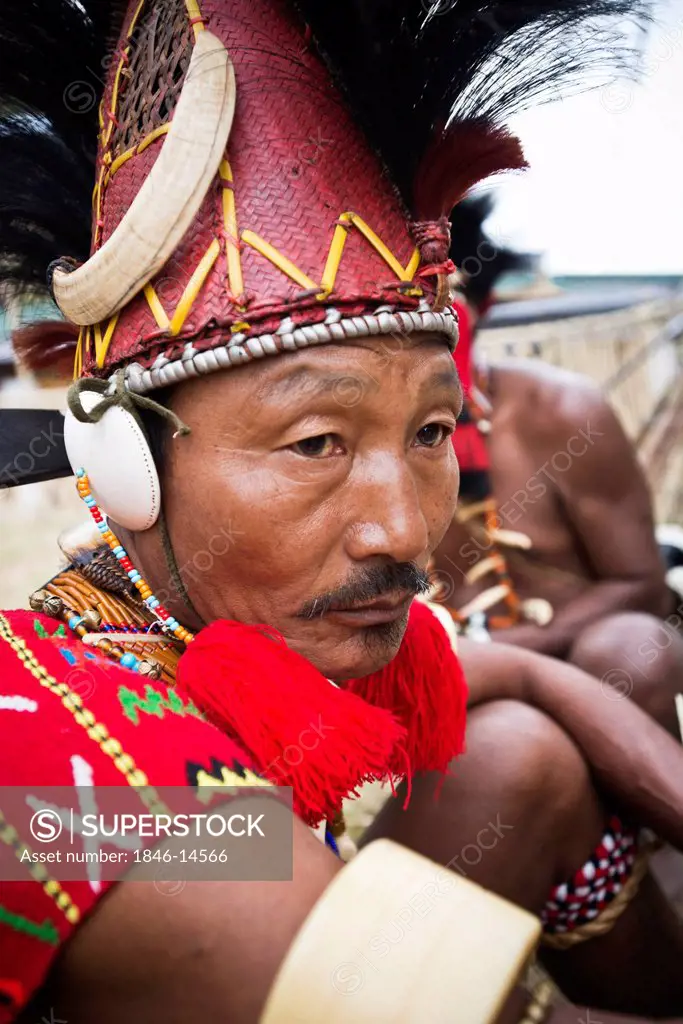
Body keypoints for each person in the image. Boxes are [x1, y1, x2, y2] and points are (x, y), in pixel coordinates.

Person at [2, 0, 683, 1021]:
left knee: (519, 758)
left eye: (426, 435)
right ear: (126, 461)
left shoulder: (215, 618)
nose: (406, 532)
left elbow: (485, 666)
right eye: (315, 442)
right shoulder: (67, 796)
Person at [432, 195, 683, 736]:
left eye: (441, 324)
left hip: (576, 688)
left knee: (632, 652)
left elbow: (645, 586)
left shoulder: (563, 414)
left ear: (482, 311)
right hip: (443, 713)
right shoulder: (327, 447)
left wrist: (508, 656)